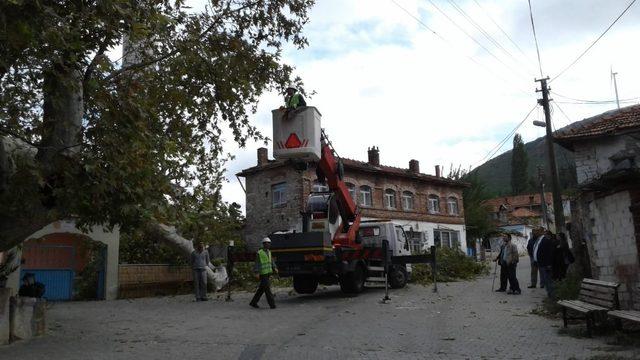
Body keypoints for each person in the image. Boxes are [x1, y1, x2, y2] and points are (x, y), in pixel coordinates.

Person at [250, 237, 278, 309]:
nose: (268, 244)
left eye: (269, 243)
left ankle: (253, 302)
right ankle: (272, 305)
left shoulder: (269, 252)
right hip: (263, 274)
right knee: (267, 289)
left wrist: (274, 267)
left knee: (261, 289)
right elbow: (257, 263)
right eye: (266, 243)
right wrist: (256, 272)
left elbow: (271, 261)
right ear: (263, 244)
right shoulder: (259, 253)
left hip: (268, 272)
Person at [533, 230, 556, 299]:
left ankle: (552, 295)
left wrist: (549, 264)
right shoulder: (539, 240)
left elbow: (550, 253)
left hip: (546, 264)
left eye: (537, 231)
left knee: (549, 280)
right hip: (541, 264)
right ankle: (549, 294)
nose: (535, 232)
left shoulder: (547, 241)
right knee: (546, 280)